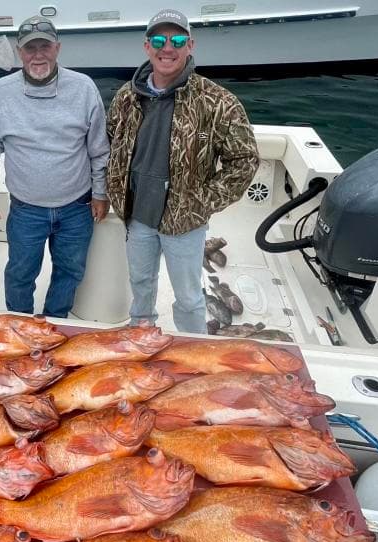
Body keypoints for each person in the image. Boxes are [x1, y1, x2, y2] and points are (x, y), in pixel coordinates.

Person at [106, 9, 258, 333]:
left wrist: (201, 202)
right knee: (141, 287)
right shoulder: (126, 96)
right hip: (138, 217)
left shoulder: (218, 101)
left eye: (176, 40)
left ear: (190, 45)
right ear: (147, 46)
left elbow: (244, 160)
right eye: (159, 39)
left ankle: (196, 352)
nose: (167, 48)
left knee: (189, 298)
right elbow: (109, 144)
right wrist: (113, 193)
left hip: (185, 224)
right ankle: (140, 341)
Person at [0, 16, 110, 318]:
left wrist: (101, 193)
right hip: (26, 209)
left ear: (57, 48)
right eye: (30, 48)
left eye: (45, 46)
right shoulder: (0, 93)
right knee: (20, 275)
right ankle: (21, 326)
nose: (38, 55)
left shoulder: (84, 88)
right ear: (20, 53)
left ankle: (54, 324)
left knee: (70, 272)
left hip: (77, 206)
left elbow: (99, 150)